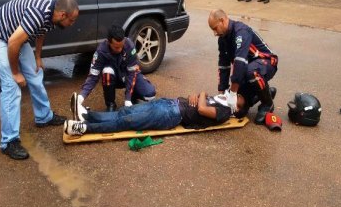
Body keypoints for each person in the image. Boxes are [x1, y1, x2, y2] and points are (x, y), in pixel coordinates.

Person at [0, 0, 79, 160]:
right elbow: (13, 42)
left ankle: (44, 117)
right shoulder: (38, 13)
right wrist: (15, 73)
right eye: (71, 21)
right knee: (11, 86)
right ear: (63, 15)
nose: (72, 25)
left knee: (35, 73)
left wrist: (37, 57)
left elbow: (40, 32)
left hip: (16, 36)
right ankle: (8, 141)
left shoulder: (52, 16)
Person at [208, 9, 278, 125]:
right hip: (246, 69)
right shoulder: (222, 40)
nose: (214, 33)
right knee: (238, 111)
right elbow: (223, 66)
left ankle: (267, 103)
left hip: (266, 61)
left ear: (222, 20)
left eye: (215, 28)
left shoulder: (241, 31)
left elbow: (240, 62)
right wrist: (223, 92)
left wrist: (233, 93)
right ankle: (263, 93)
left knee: (251, 72)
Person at [65, 90, 244, 136]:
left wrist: (202, 94)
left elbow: (202, 109)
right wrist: (196, 95)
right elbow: (197, 101)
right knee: (125, 111)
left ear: (237, 109)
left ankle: (84, 128)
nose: (232, 95)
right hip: (168, 103)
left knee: (126, 121)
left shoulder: (224, 112)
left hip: (171, 115)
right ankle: (87, 116)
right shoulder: (219, 100)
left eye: (237, 98)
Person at [77, 25, 156, 112]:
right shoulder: (101, 51)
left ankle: (133, 96)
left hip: (128, 75)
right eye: (116, 47)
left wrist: (128, 99)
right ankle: (110, 104)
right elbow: (93, 75)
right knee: (107, 72)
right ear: (108, 42)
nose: (119, 49)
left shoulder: (130, 46)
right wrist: (82, 96)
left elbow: (132, 73)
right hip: (113, 78)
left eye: (121, 46)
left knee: (150, 94)